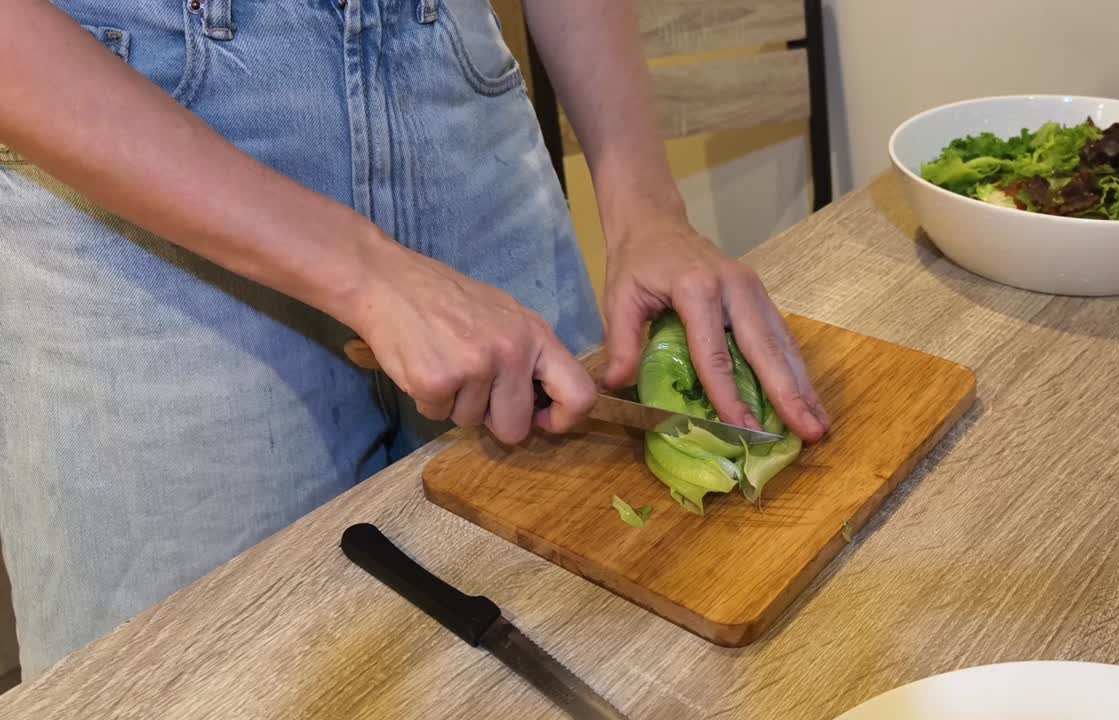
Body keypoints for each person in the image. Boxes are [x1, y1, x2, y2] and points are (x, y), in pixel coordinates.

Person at [0, 0, 829, 677]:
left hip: (459, 98)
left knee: (611, 648)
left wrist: (647, 202)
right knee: (204, 676)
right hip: (131, 151)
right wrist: (365, 270)